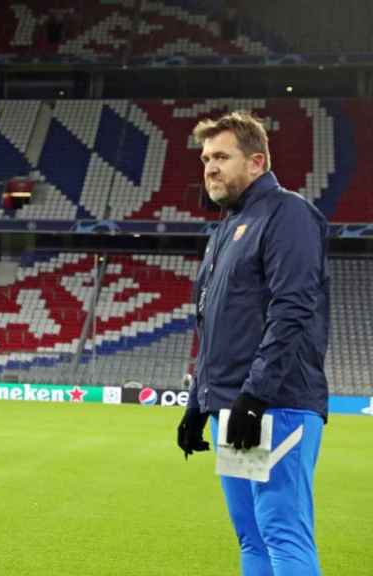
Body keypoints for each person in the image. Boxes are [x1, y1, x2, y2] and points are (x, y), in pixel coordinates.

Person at [177, 111, 330, 576]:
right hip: (235, 405)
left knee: (282, 532)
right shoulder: (226, 229)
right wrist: (198, 402)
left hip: (276, 403)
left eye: (222, 156)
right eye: (205, 159)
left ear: (257, 162)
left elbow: (293, 309)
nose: (210, 168)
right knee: (252, 536)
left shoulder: (289, 213)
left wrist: (255, 394)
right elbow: (216, 322)